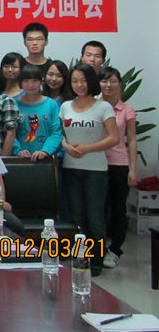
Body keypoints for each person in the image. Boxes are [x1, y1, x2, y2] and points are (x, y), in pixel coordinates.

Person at [61, 63, 119, 276]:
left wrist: (88, 148)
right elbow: (62, 136)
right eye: (75, 81)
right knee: (76, 217)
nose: (79, 85)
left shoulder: (103, 107)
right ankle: (80, 257)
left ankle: (96, 260)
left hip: (95, 170)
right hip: (71, 168)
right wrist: (67, 147)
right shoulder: (65, 106)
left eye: (83, 80)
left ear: (91, 82)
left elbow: (114, 138)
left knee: (95, 217)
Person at [99, 67, 138, 269]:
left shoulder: (127, 109)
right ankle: (98, 248)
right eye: (104, 81)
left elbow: (131, 139)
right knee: (99, 208)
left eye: (113, 81)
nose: (108, 85)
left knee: (117, 209)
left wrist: (133, 169)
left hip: (119, 164)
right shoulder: (93, 104)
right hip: (96, 163)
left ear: (119, 84)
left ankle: (115, 250)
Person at [11, 64, 62, 160]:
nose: (30, 85)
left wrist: (45, 151)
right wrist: (18, 150)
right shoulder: (13, 104)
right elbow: (10, 132)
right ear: (20, 83)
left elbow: (56, 132)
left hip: (47, 159)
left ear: (41, 82)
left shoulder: (51, 104)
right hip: (20, 160)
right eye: (26, 81)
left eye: (34, 81)